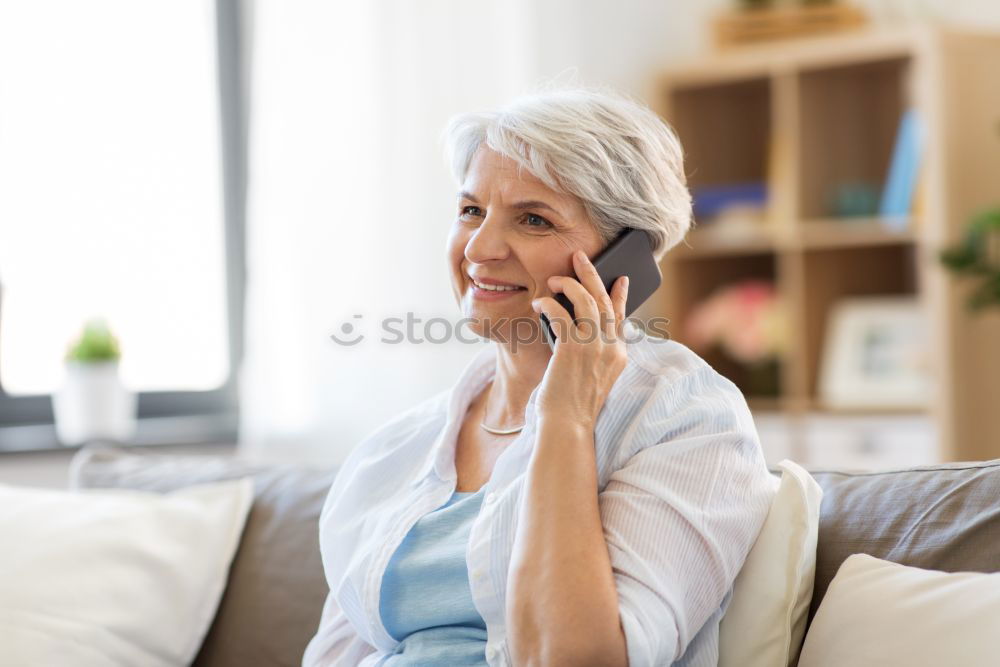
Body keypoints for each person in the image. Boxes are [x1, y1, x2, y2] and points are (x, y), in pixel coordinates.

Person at [302, 87, 778, 667]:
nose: (479, 248)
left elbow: (577, 658)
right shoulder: (396, 449)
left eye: (532, 219)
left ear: (625, 255)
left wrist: (565, 417)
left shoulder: (683, 416)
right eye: (470, 210)